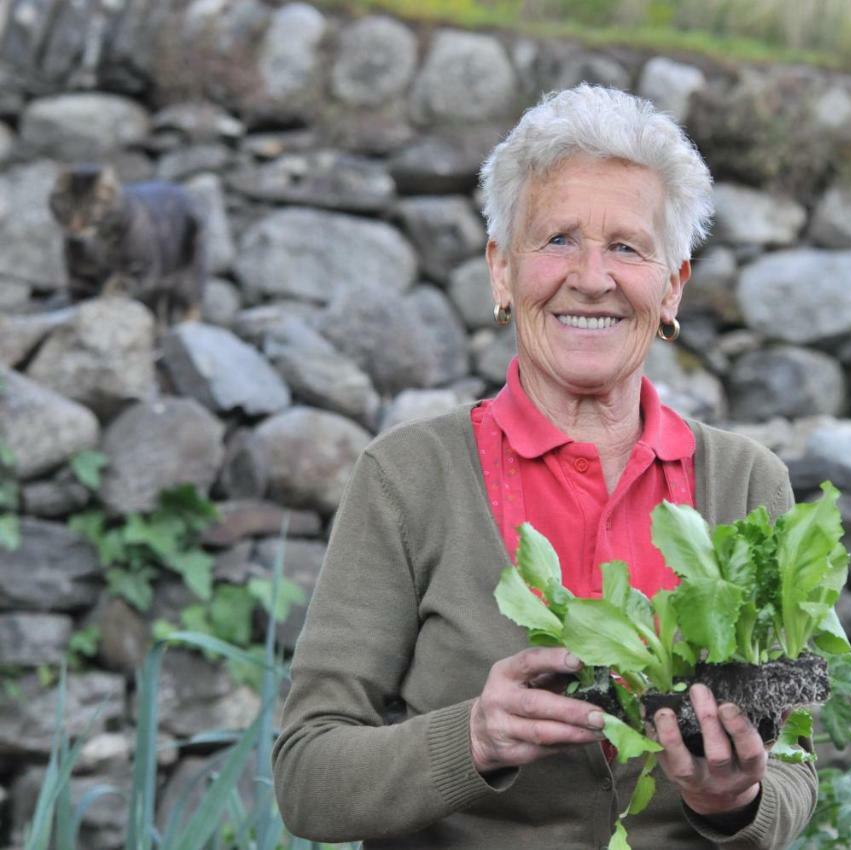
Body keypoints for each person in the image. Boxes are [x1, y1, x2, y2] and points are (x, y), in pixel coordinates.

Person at [272, 84, 817, 849]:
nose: (592, 277)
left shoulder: (748, 483)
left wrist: (733, 800)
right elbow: (307, 779)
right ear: (502, 272)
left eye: (627, 247)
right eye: (558, 239)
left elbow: (794, 766)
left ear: (672, 288)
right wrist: (472, 740)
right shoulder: (408, 479)